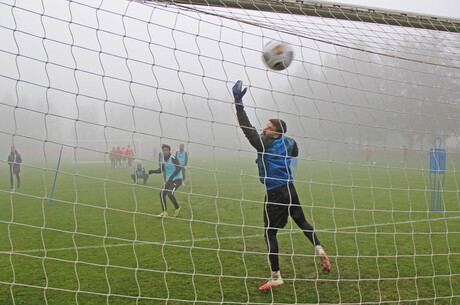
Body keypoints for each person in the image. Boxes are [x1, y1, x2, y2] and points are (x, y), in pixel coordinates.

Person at [232, 81, 331, 291]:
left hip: (275, 191)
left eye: (268, 128)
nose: (264, 130)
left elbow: (246, 128)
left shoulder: (264, 143)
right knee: (301, 220)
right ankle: (319, 248)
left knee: (270, 233)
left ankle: (276, 276)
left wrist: (238, 102)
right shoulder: (290, 142)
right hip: (290, 188)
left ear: (276, 134)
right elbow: (294, 153)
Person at [148, 144, 183, 217]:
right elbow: (161, 170)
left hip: (177, 179)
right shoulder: (164, 160)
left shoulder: (173, 158)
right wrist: (152, 171)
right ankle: (164, 212)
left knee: (170, 194)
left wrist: (172, 177)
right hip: (170, 180)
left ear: (169, 151)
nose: (165, 151)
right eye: (164, 150)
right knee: (162, 194)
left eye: (167, 150)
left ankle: (177, 208)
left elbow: (179, 168)